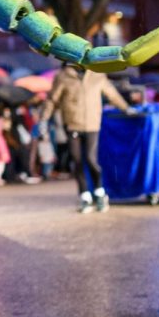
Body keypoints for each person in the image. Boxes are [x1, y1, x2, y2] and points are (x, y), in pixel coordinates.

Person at [42, 63, 135, 213]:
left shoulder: (97, 75)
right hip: (72, 124)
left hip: (92, 124)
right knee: (77, 160)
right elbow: (52, 100)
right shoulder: (63, 76)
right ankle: (85, 196)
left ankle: (99, 193)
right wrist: (43, 119)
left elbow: (111, 93)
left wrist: (126, 108)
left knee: (91, 160)